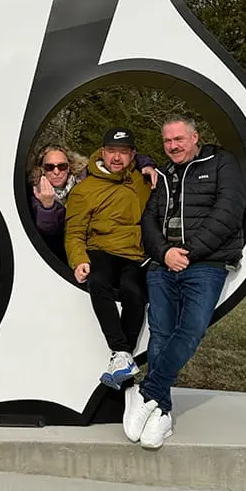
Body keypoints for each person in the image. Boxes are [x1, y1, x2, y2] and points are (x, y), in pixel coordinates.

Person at [124, 117, 246, 449]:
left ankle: (148, 391)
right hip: (163, 264)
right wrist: (164, 254)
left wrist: (188, 254)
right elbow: (148, 219)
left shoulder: (222, 163)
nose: (173, 145)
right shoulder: (165, 174)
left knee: (191, 329)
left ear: (196, 137)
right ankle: (161, 411)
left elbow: (228, 213)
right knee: (161, 332)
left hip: (205, 263)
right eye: (167, 141)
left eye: (179, 139)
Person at [64, 128, 154, 389]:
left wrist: (149, 167)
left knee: (134, 292)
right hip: (101, 249)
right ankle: (121, 351)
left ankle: (122, 358)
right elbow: (74, 231)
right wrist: (79, 259)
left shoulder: (143, 181)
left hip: (136, 255)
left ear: (132, 155)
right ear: (102, 152)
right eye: (112, 151)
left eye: (123, 152)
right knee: (99, 280)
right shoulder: (86, 189)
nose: (117, 158)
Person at [28, 143, 156, 262]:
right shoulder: (36, 193)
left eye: (62, 166)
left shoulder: (86, 176)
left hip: (95, 246)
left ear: (69, 166)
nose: (56, 172)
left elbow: (121, 157)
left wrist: (146, 165)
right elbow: (49, 232)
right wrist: (48, 207)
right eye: (49, 167)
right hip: (61, 256)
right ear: (42, 169)